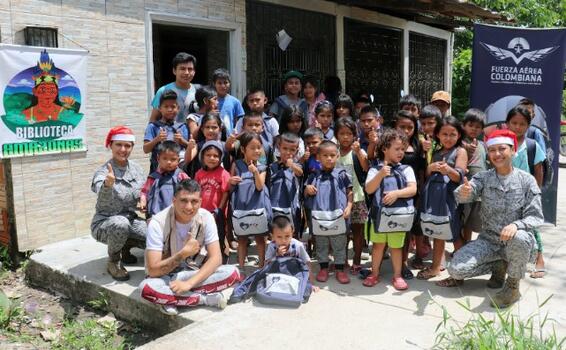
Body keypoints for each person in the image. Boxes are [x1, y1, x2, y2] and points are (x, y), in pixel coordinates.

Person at [446, 129, 543, 308]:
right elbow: (467, 193)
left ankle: (512, 286)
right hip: (490, 240)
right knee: (456, 269)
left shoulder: (526, 180)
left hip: (518, 243)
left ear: (513, 150)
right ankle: (499, 266)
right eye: (492, 150)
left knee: (520, 237)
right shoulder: (483, 177)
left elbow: (536, 217)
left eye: (502, 149)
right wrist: (464, 192)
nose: (497, 154)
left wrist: (516, 225)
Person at [139, 179, 240, 315]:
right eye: (183, 200)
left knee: (233, 273)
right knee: (146, 288)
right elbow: (152, 270)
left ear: (200, 202)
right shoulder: (157, 223)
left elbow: (216, 259)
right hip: (166, 277)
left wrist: (189, 284)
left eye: (194, 201)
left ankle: (173, 299)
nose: (188, 207)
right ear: (174, 201)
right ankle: (205, 299)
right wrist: (183, 254)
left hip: (194, 273)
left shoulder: (206, 217)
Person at [91, 126, 147, 281]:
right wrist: (107, 185)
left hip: (131, 219)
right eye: (118, 145)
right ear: (110, 145)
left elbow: (144, 190)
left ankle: (126, 247)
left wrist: (144, 198)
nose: (123, 149)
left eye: (127, 146)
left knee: (155, 234)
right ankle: (114, 261)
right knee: (120, 224)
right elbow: (101, 195)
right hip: (105, 223)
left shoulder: (136, 169)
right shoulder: (103, 172)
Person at [364, 128, 417, 290]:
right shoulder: (375, 169)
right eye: (397, 149)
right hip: (379, 217)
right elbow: (369, 189)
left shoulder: (406, 169)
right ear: (384, 149)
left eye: (403, 149)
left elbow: (413, 189)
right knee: (378, 246)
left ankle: (397, 275)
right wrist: (380, 174)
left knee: (396, 247)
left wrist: (396, 194)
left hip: (398, 217)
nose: (401, 152)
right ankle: (374, 274)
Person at [417, 116, 468, 282]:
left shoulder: (461, 151)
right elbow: (427, 173)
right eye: (444, 134)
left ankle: (464, 267)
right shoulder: (437, 152)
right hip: (434, 199)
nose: (448, 138)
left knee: (454, 233)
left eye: (452, 134)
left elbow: (459, 176)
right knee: (438, 232)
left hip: (449, 199)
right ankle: (435, 267)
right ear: (437, 134)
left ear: (459, 135)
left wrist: (449, 170)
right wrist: (431, 167)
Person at [506, 105, 546, 279]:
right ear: (507, 123)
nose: (518, 127)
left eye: (522, 124)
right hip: (506, 194)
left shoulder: (532, 145)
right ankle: (510, 262)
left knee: (532, 227)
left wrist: (534, 193)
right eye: (514, 123)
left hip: (527, 194)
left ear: (528, 126)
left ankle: (539, 260)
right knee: (509, 227)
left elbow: (539, 171)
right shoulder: (503, 143)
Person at [304, 140, 353, 284]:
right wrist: (307, 189)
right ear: (318, 157)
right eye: (325, 155)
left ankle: (339, 269)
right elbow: (306, 193)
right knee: (321, 244)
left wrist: (349, 206)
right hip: (320, 217)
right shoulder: (314, 176)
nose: (329, 158)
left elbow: (350, 192)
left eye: (332, 155)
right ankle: (323, 268)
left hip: (338, 216)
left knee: (339, 244)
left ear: (337, 156)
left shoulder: (342, 174)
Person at [230, 132, 272, 270]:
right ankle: (241, 267)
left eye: (259, 147)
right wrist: (231, 181)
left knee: (260, 238)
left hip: (257, 207)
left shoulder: (262, 167)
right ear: (243, 149)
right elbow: (229, 184)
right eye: (252, 148)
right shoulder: (236, 165)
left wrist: (255, 172)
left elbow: (260, 186)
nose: (257, 151)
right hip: (241, 207)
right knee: (242, 239)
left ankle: (261, 266)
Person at [392, 110, 426, 279]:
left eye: (410, 127)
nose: (406, 131)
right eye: (402, 126)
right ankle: (402, 262)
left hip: (415, 192)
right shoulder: (390, 143)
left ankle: (416, 256)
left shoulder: (419, 145)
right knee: (402, 229)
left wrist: (421, 191)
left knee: (416, 227)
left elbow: (421, 169)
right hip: (395, 192)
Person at [335, 117, 369, 275]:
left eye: (349, 133)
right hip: (338, 199)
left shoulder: (358, 151)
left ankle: (356, 260)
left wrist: (358, 152)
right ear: (336, 135)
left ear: (354, 135)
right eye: (342, 133)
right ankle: (342, 261)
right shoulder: (333, 152)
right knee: (341, 233)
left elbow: (366, 168)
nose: (346, 137)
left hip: (358, 197)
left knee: (358, 232)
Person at [194, 141, 231, 262]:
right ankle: (207, 258)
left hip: (217, 212)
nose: (212, 158)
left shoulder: (224, 174)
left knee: (219, 235)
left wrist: (219, 210)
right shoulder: (199, 174)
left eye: (216, 156)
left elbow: (226, 192)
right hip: (202, 212)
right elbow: (196, 192)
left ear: (220, 158)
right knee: (203, 236)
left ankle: (222, 257)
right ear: (202, 157)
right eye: (208, 155)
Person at [266, 216, 318, 290]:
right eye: (279, 237)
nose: (284, 240)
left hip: (295, 272)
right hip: (278, 273)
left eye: (287, 236)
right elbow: (266, 263)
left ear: (292, 231)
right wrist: (276, 255)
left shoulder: (298, 245)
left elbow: (307, 261)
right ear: (272, 236)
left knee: (300, 284)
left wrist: (310, 281)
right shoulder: (272, 246)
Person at [144, 90, 190, 173]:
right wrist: (157, 139)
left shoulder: (183, 127)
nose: (169, 109)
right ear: (160, 108)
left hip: (179, 172)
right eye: (166, 106)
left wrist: (182, 141)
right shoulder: (153, 127)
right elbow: (146, 149)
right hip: (157, 172)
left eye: (173, 107)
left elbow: (190, 148)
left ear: (178, 108)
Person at [140, 141, 190, 218]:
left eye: (173, 159)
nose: (169, 162)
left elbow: (191, 191)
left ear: (178, 160)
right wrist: (143, 201)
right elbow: (144, 191)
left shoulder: (181, 176)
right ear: (158, 159)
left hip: (177, 216)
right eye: (165, 158)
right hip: (156, 215)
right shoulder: (153, 177)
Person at [461, 108, 487, 242]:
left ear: (482, 129)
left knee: (473, 218)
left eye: (478, 127)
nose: (473, 129)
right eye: (470, 125)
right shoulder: (460, 143)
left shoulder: (483, 145)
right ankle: (462, 244)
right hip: (465, 186)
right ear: (463, 125)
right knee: (463, 217)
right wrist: (466, 149)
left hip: (480, 188)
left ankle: (468, 243)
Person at [150, 53, 199, 123]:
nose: (186, 72)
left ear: (194, 72)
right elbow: (153, 119)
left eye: (190, 69)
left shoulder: (198, 92)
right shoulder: (163, 91)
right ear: (174, 71)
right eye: (182, 69)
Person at [269, 133, 303, 234]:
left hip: (291, 207)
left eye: (292, 150)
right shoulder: (272, 166)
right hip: (275, 206)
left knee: (292, 233)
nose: (288, 152)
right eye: (285, 148)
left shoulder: (297, 166)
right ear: (279, 148)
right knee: (277, 233)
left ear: (297, 151)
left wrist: (291, 165)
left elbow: (300, 172)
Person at [213, 68, 244, 135]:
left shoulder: (235, 102)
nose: (223, 86)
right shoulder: (211, 101)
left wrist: (236, 135)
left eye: (225, 82)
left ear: (230, 83)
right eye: (219, 83)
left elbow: (240, 121)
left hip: (229, 138)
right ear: (214, 84)